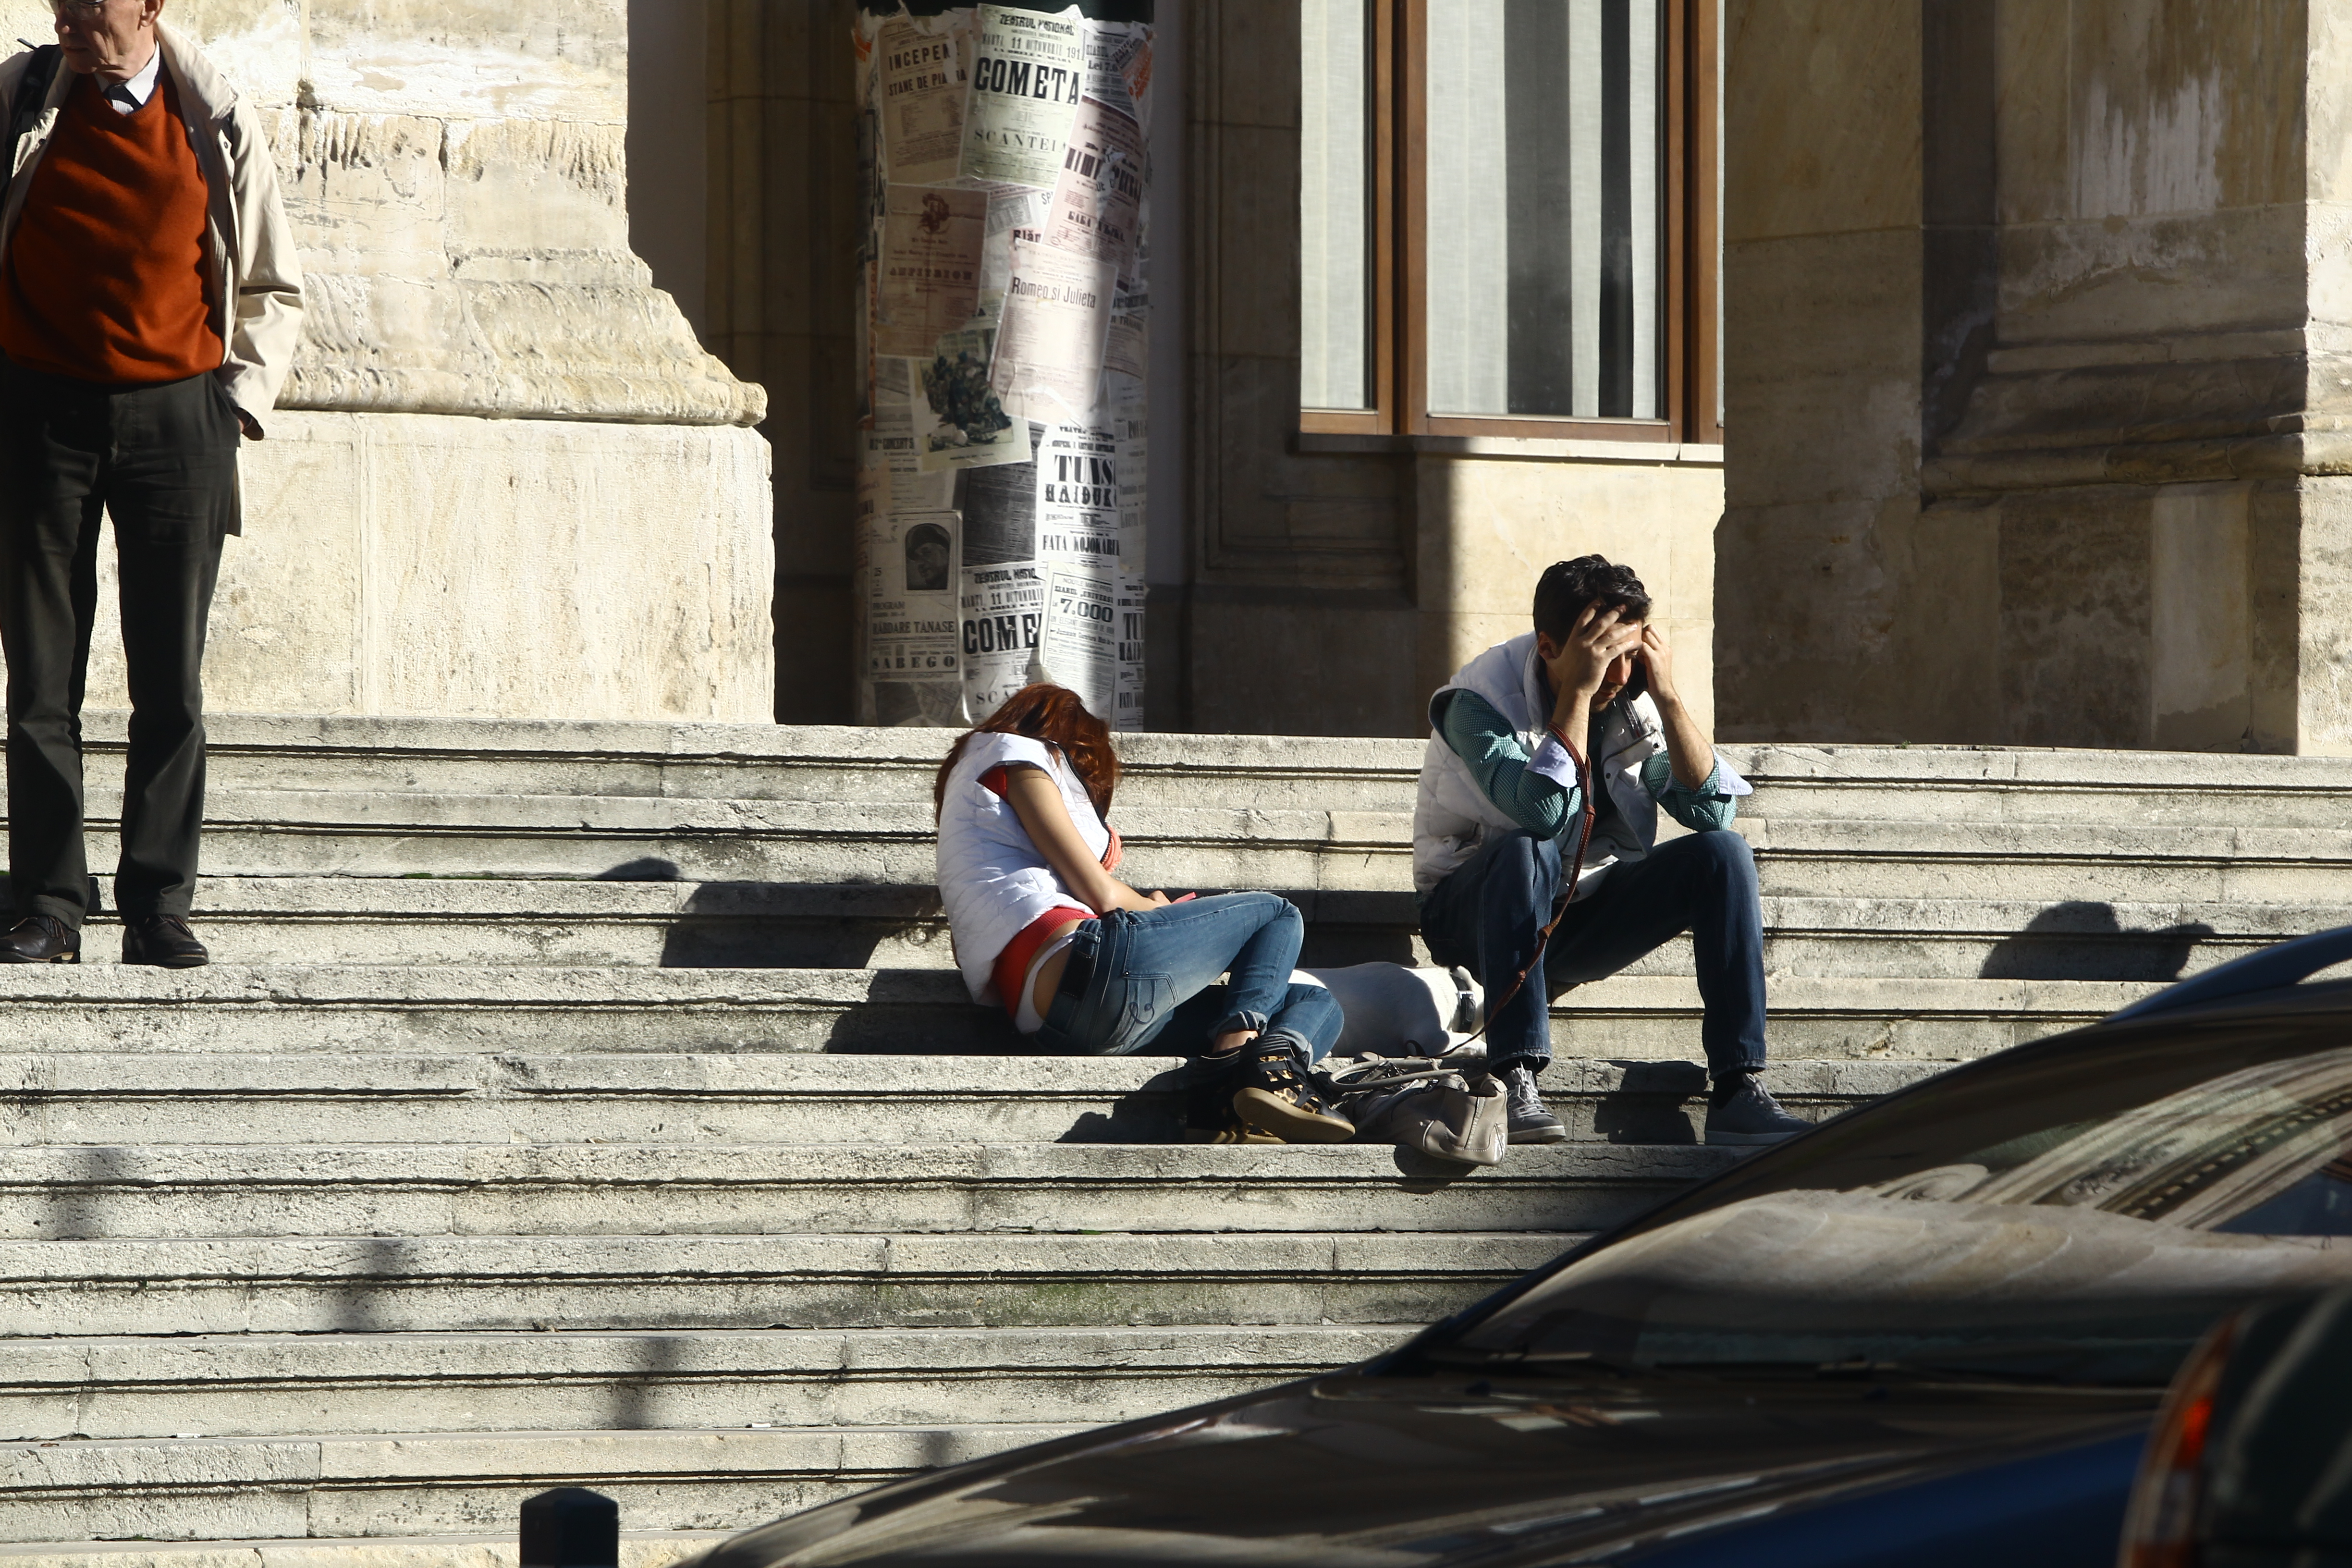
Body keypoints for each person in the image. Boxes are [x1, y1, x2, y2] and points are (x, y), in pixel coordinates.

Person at [0, 0, 304, 967]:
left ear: (151, 7)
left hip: (179, 420)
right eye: (62, 2)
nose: (74, 18)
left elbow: (271, 281)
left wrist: (239, 406)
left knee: (169, 678)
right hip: (41, 414)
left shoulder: (211, 114)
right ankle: (48, 899)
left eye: (94, 2)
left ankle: (158, 903)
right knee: (42, 678)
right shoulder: (22, 101)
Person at [1413, 555, 1811, 1148]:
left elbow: (1709, 810)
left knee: (1722, 854)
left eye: (1630, 654)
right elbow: (1542, 814)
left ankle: (1738, 1086)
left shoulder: (1631, 695)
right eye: (1604, 656)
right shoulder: (1476, 704)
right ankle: (1514, 1076)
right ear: (1549, 646)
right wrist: (1578, 691)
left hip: (1573, 914)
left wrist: (1669, 696)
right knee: (1528, 850)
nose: (1621, 675)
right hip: (1471, 917)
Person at [934, 683, 1350, 1143]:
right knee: (1276, 914)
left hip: (1064, 1025)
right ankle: (1233, 1070)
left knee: (1313, 1002)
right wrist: (1155, 910)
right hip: (1083, 966)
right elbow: (1101, 893)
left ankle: (1228, 1094)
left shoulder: (969, 815)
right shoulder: (1017, 758)